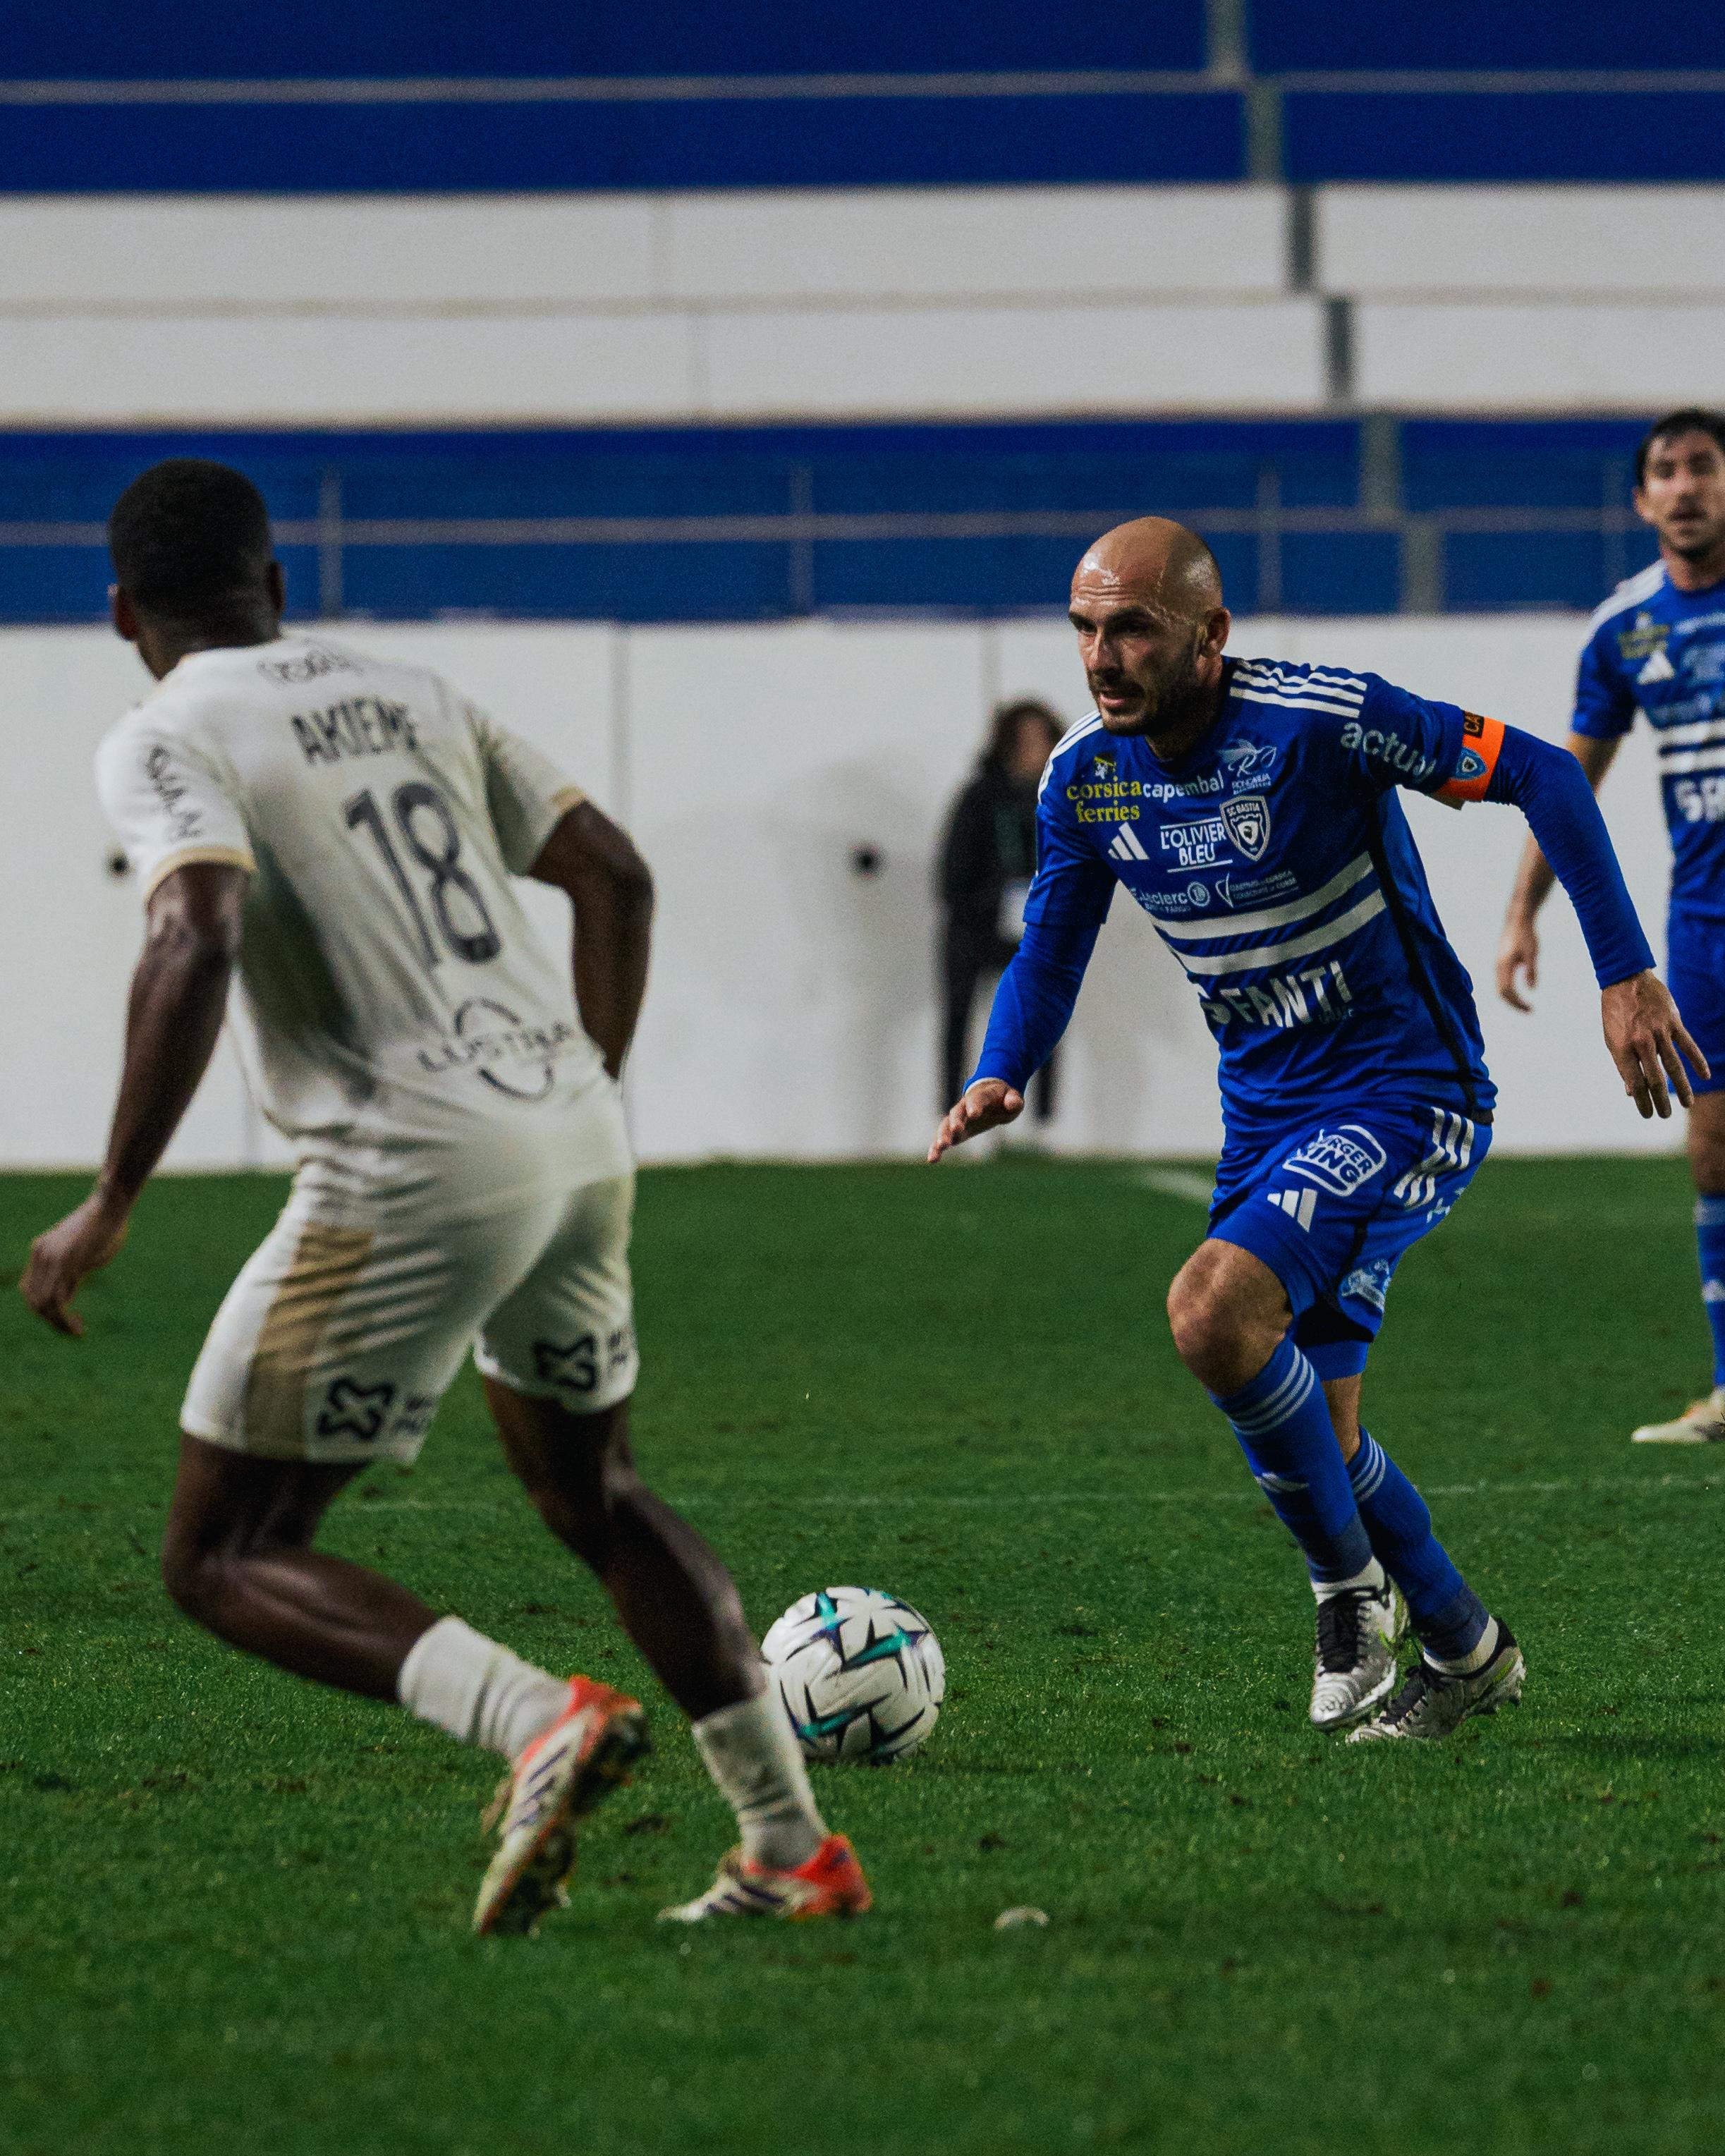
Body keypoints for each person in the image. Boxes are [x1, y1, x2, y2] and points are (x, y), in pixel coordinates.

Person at [20, 458, 867, 1929]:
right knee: (592, 1491)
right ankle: (790, 1847)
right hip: (573, 1130)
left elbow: (194, 931)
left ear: (121, 614)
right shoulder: (414, 689)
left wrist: (110, 1194)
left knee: (222, 1550)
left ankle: (537, 1716)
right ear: (276, 588)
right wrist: (569, 1092)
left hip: (410, 1159)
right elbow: (615, 879)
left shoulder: (162, 733)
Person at [929, 516, 1700, 1740]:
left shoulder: (1324, 719)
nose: (1103, 656)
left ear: (1210, 633)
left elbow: (1544, 771)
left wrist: (1621, 971)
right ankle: (1467, 1649)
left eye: (1133, 626)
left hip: (1406, 1089)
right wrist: (1001, 1067)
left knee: (1212, 1312)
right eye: (1085, 627)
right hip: (1268, 1118)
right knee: (1321, 1438)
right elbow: (1055, 939)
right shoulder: (1085, 775)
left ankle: (1349, 1592)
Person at [1497, 408, 1725, 1445]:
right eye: (1665, 473)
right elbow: (1566, 781)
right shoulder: (1623, 630)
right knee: (1712, 1147)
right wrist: (1519, 910)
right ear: (1640, 501)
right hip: (1704, 926)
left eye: (1703, 468)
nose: (1685, 488)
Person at [937, 700, 1066, 1123]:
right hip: (976, 925)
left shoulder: (1061, 799)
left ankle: (1041, 1121)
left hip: (1034, 926)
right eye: (1024, 740)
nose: (1033, 749)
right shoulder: (979, 797)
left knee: (1043, 1016)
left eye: (1041, 739)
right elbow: (953, 870)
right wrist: (986, 901)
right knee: (960, 1016)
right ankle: (953, 1111)